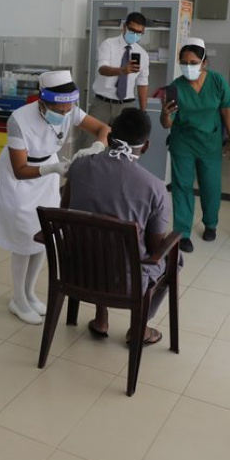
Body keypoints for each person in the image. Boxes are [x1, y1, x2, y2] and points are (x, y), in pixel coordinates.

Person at [0, 71, 110, 324]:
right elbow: (20, 170)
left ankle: (29, 292)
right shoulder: (19, 120)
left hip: (47, 176)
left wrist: (97, 146)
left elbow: (103, 128)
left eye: (68, 109)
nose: (64, 114)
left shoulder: (69, 109)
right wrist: (52, 169)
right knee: (23, 239)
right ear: (42, 102)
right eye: (59, 109)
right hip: (20, 178)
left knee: (44, 235)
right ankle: (18, 298)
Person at [63, 108, 174, 345]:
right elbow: (155, 246)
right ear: (146, 146)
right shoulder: (155, 187)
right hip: (125, 281)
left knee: (99, 242)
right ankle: (139, 327)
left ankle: (101, 318)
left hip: (78, 269)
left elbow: (65, 213)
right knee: (173, 258)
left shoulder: (79, 166)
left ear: (110, 138)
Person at [161, 37, 230, 253]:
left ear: (204, 63)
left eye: (193, 63)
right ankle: (182, 233)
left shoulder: (217, 81)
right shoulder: (175, 87)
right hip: (183, 143)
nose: (188, 67)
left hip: (210, 143)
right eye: (184, 63)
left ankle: (211, 224)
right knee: (182, 187)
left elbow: (226, 110)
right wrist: (165, 114)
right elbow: (167, 123)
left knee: (211, 186)